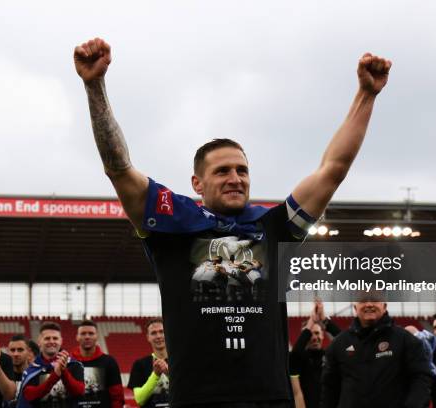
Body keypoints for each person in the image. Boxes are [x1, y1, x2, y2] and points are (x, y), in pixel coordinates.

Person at [74, 36, 391, 407]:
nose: (235, 178)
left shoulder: (273, 227)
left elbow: (332, 170)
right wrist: (94, 85)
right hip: (197, 400)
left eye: (242, 170)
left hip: (270, 401)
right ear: (197, 183)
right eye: (222, 171)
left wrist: (366, 95)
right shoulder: (171, 227)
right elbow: (118, 168)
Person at [321, 297, 432, 408]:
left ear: (384, 306)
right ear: (355, 307)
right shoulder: (339, 344)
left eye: (374, 299)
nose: (369, 304)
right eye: (363, 300)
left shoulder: (405, 339)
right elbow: (330, 388)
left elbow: (421, 378)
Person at [18, 322, 84, 408]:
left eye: (55, 338)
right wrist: (55, 376)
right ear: (39, 342)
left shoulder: (74, 364)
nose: (51, 341)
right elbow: (30, 396)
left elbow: (79, 392)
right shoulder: (32, 369)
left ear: (61, 341)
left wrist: (64, 371)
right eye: (47, 338)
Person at [289, 301, 340, 408]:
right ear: (305, 338)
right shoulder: (300, 359)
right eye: (309, 334)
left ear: (322, 336)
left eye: (317, 333)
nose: (314, 338)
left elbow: (345, 342)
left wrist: (325, 320)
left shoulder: (330, 356)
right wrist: (311, 321)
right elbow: (295, 353)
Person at [71, 320, 125, 408]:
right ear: (77, 337)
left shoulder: (109, 362)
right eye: (83, 333)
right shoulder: (68, 363)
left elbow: (117, 396)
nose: (87, 337)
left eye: (91, 333)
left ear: (97, 336)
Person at [127, 319, 169, 408]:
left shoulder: (179, 362)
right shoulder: (139, 364)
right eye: (153, 333)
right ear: (148, 337)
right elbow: (139, 400)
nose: (158, 336)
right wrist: (155, 375)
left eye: (161, 332)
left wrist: (168, 374)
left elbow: (188, 393)